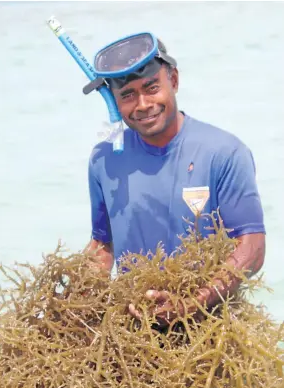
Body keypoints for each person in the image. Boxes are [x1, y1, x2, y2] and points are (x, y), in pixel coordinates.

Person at [85, 33, 265, 326]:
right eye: (127, 95)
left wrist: (193, 303)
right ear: (114, 102)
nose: (142, 104)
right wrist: (72, 303)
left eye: (152, 88)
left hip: (212, 330)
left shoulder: (224, 152)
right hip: (134, 331)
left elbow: (252, 246)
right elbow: (103, 246)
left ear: (175, 81)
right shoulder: (104, 160)